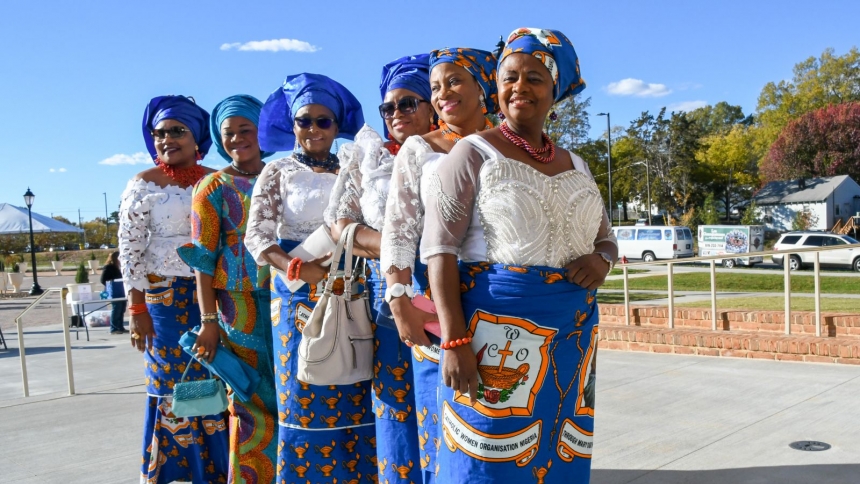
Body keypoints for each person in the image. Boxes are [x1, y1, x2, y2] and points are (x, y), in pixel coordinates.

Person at [420, 28, 618, 483]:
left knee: (563, 454)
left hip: (573, 337)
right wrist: (453, 342)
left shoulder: (578, 164)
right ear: (496, 85)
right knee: (491, 457)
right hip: (497, 341)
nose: (520, 88)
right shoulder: (471, 153)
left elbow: (606, 237)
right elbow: (439, 251)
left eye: (535, 78)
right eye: (510, 77)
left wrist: (601, 261)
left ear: (554, 92)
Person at [245, 73, 376, 484]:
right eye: (305, 120)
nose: (314, 129)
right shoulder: (276, 170)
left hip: (351, 285)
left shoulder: (354, 168)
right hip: (297, 292)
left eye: (324, 121)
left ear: (337, 127)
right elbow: (257, 236)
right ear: (292, 124)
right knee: (306, 388)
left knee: (354, 383)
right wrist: (298, 269)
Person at [379, 46, 499, 484]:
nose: (442, 94)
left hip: (502, 298)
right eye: (434, 87)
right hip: (436, 302)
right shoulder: (419, 149)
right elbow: (398, 230)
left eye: (453, 81)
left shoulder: (511, 143)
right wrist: (399, 301)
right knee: (443, 419)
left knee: (499, 421)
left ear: (484, 87)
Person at [325, 53, 434, 484]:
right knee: (395, 396)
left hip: (450, 286)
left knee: (447, 390)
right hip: (388, 296)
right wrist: (393, 246)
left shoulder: (461, 148)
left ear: (431, 104)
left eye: (408, 103)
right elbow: (339, 222)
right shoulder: (367, 156)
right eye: (388, 107)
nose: (395, 114)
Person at [119, 95, 228, 483]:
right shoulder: (143, 183)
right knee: (170, 380)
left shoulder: (216, 179)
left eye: (177, 131)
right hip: (161, 299)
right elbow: (129, 249)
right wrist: (136, 310)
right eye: (160, 132)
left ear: (197, 136)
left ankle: (215, 470)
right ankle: (173, 473)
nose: (167, 139)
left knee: (214, 375)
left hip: (214, 295)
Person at [176, 94, 277, 483]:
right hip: (238, 307)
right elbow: (203, 259)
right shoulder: (211, 186)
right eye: (228, 133)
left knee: (293, 390)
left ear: (261, 129)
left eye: (245, 129)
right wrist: (208, 320)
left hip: (288, 298)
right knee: (250, 397)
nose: (237, 139)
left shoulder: (281, 174)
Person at [100, 251, 127, 334]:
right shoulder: (109, 267)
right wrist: (110, 285)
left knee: (122, 309)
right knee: (116, 309)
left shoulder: (119, 267)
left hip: (121, 291)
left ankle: (120, 327)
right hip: (115, 291)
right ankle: (114, 328)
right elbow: (102, 279)